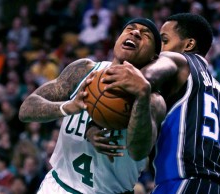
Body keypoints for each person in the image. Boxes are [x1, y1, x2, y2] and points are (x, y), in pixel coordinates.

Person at [89, 13, 220, 194]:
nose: (160, 49)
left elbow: (147, 77)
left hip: (185, 184)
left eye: (165, 41)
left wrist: (95, 120)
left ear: (189, 45)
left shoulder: (178, 60)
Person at [19, 18, 166, 193]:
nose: (135, 33)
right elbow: (26, 109)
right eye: (130, 29)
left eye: (145, 35)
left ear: (154, 57)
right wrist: (67, 107)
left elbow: (138, 151)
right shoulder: (84, 70)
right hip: (58, 186)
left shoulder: (152, 100)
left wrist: (141, 97)